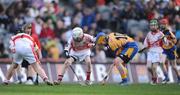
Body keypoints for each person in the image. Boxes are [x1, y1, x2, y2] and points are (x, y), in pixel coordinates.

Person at [142, 19, 166, 85]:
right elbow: (145, 43)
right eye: (151, 25)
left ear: (157, 26)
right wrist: (145, 47)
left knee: (154, 67)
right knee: (149, 67)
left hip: (158, 52)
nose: (153, 27)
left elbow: (165, 42)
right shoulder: (148, 34)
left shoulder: (161, 34)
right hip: (150, 52)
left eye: (154, 25)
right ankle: (154, 76)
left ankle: (155, 80)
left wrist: (164, 39)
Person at [159, 18, 180, 84]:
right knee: (162, 62)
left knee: (174, 66)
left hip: (171, 49)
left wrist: (170, 42)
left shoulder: (169, 31)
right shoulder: (161, 32)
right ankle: (166, 77)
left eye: (163, 24)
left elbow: (175, 40)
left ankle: (179, 78)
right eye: (161, 24)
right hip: (165, 49)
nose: (162, 25)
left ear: (166, 24)